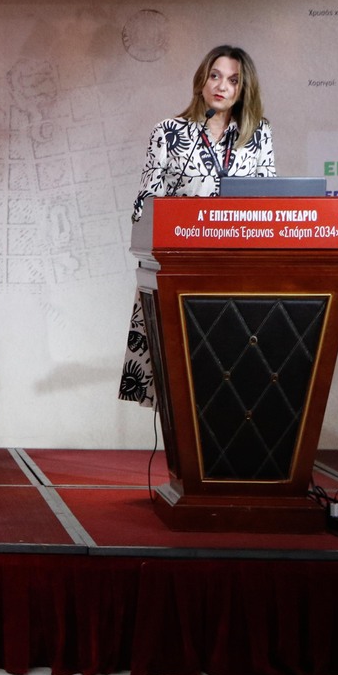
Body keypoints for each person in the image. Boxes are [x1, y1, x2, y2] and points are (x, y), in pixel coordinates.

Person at [119, 44, 276, 406]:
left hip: (235, 270)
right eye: (215, 76)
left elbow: (268, 201)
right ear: (201, 80)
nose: (222, 86)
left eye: (233, 80)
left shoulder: (258, 133)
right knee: (179, 383)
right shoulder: (168, 132)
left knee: (229, 381)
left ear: (244, 89)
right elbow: (144, 205)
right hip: (178, 269)